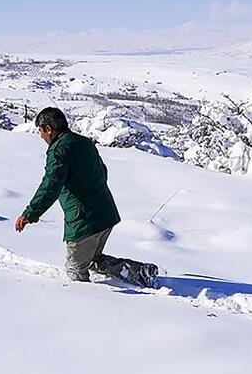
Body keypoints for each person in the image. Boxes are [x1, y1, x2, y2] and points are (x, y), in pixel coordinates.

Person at [15, 107, 159, 287]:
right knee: (91, 259)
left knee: (75, 269)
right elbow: (103, 171)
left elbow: (50, 185)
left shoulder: (58, 151)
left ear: (49, 129)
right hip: (106, 213)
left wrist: (30, 213)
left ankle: (88, 303)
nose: (41, 136)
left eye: (41, 131)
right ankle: (138, 272)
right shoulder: (84, 142)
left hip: (83, 220)